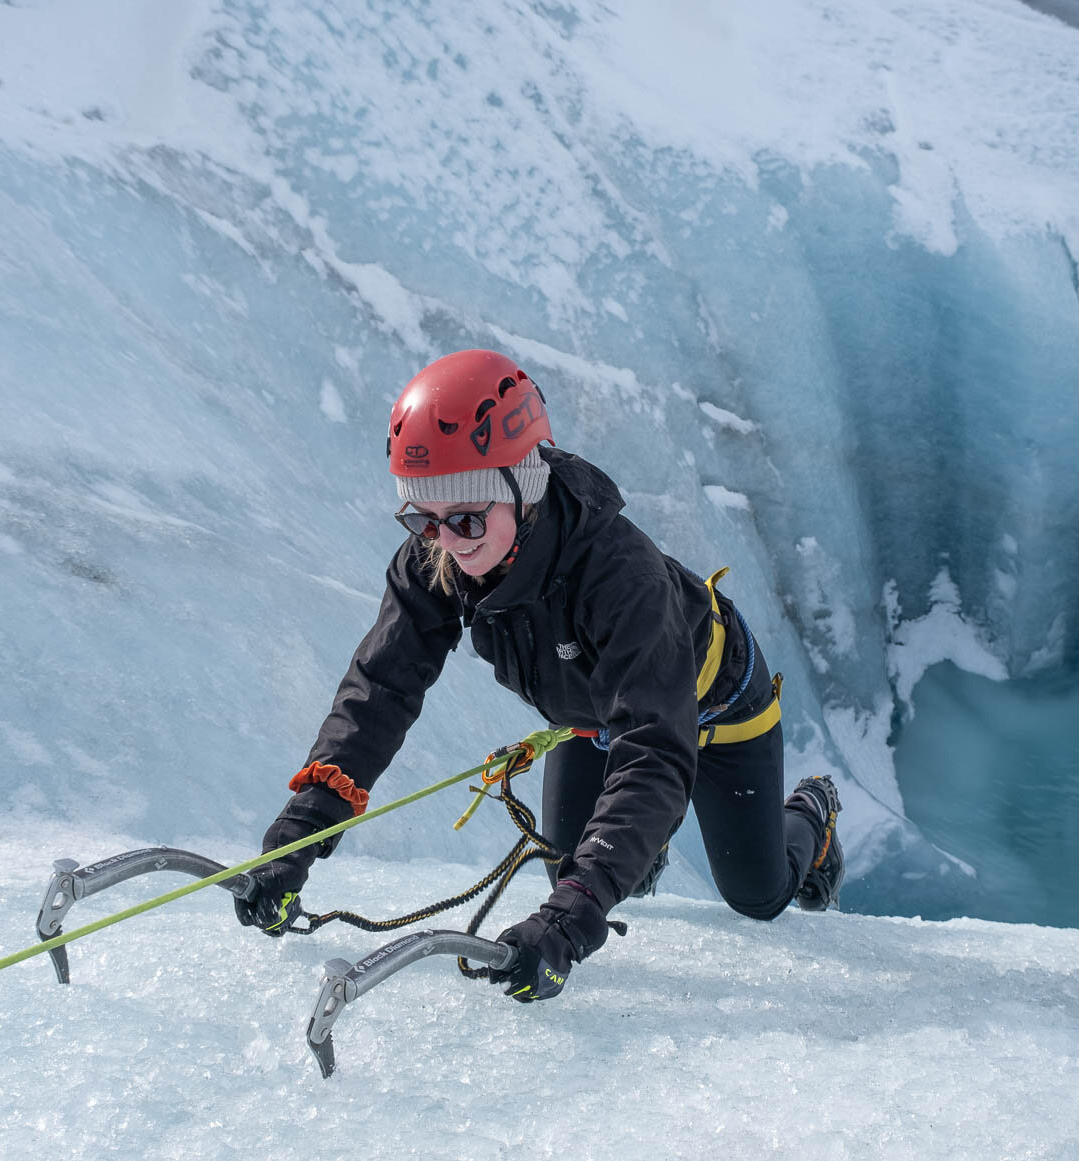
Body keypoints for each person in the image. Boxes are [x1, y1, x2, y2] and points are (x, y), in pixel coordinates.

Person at [235, 349, 843, 1002]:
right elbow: (381, 688)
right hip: (595, 715)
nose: (447, 540)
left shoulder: (620, 577)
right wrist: (303, 828)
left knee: (755, 893)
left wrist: (569, 923)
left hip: (711, 710)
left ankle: (810, 812)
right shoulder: (439, 556)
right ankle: (643, 845)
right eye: (421, 517)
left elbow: (656, 752)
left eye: (467, 517)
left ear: (522, 488)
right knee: (581, 871)